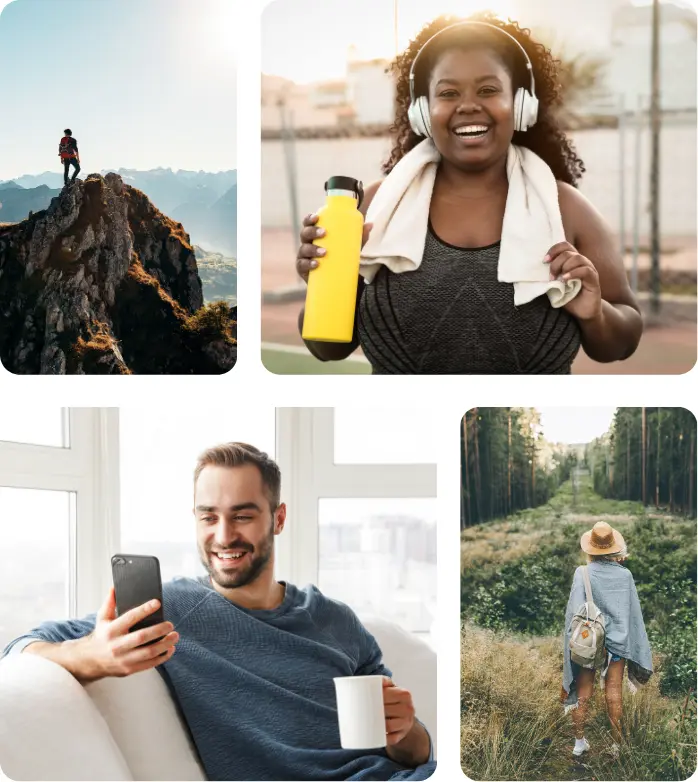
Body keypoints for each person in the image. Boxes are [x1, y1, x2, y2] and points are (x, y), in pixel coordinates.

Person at [1, 443, 435, 782]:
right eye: (209, 517)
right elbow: (18, 647)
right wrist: (93, 657)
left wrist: (406, 730)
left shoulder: (336, 620)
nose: (224, 536)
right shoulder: (169, 611)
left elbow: (415, 752)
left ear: (278, 519)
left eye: (243, 516)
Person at [296, 14, 642, 374]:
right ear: (423, 114)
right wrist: (322, 286)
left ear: (522, 105)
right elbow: (327, 350)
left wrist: (596, 313)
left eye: (489, 90)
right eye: (448, 93)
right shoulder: (371, 210)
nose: (468, 105)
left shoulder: (566, 209)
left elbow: (624, 339)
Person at [561, 521, 653, 759]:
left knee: (583, 691)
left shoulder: (582, 573)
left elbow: (574, 613)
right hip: (617, 644)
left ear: (591, 548)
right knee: (614, 692)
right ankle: (616, 745)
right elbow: (632, 614)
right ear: (614, 548)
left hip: (590, 642)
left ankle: (579, 743)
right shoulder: (625, 576)